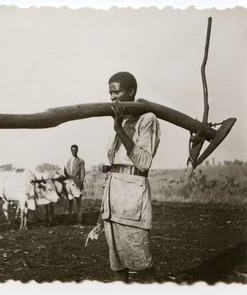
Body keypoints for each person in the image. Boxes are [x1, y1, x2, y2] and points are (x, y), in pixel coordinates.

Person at [98, 72, 160, 283]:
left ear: (131, 92)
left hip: (132, 199)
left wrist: (118, 129)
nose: (113, 97)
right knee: (117, 263)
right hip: (112, 198)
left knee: (141, 263)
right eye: (110, 93)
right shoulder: (121, 119)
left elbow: (143, 161)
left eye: (117, 92)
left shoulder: (147, 119)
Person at [64, 144, 85, 226]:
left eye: (75, 150)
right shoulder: (69, 161)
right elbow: (68, 173)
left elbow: (82, 173)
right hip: (70, 184)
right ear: (71, 151)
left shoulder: (80, 161)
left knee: (79, 203)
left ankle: (79, 221)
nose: (74, 152)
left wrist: (81, 183)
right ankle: (69, 219)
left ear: (77, 151)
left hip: (76, 184)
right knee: (70, 201)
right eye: (72, 150)